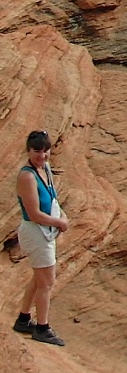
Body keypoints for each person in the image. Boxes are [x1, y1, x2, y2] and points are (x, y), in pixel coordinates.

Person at [13, 131, 68, 346]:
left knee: (39, 279)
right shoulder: (27, 176)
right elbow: (34, 213)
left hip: (44, 231)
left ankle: (24, 319)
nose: (42, 155)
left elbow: (52, 200)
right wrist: (60, 223)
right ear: (28, 151)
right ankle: (43, 328)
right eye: (37, 151)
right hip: (35, 232)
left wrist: (62, 215)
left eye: (46, 151)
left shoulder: (44, 169)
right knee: (47, 283)